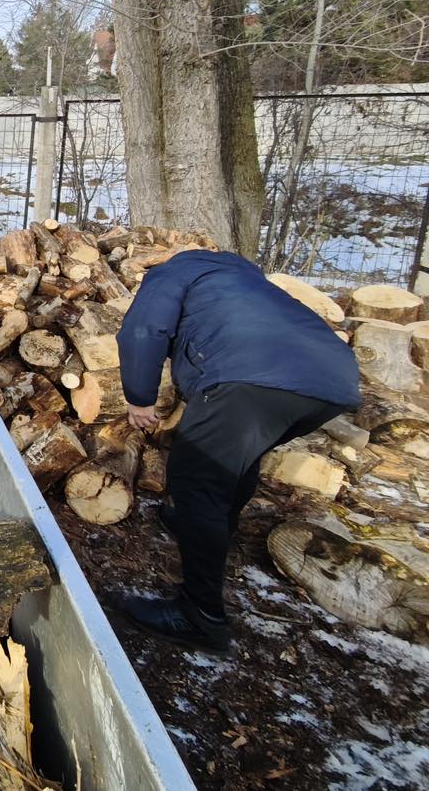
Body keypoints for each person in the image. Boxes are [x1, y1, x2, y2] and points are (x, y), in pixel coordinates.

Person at [115, 249, 361, 653]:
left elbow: (143, 329)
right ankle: (209, 530)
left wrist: (139, 397)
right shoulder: (247, 281)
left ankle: (200, 617)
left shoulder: (177, 271)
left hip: (251, 376)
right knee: (233, 462)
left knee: (196, 479)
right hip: (333, 383)